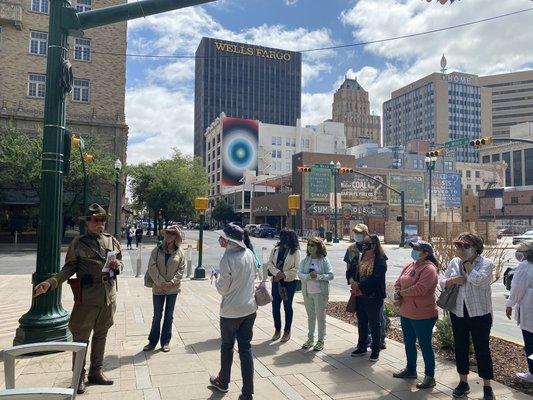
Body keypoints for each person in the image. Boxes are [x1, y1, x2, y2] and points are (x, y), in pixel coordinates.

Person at [33, 203, 122, 394]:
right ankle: (79, 376)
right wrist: (50, 283)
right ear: (87, 222)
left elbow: (119, 262)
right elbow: (68, 269)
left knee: (101, 334)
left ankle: (96, 372)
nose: (100, 224)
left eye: (103, 220)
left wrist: (117, 265)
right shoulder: (79, 243)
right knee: (81, 338)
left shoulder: (111, 241)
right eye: (96, 220)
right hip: (88, 298)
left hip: (108, 296)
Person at [439, 232, 495, 400]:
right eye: (459, 246)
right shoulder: (454, 262)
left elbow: (478, 280)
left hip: (480, 314)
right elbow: (442, 282)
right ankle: (463, 382)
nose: (461, 249)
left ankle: (487, 386)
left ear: (476, 248)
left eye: (466, 246)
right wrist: (452, 281)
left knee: (482, 349)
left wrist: (466, 263)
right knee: (460, 347)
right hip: (458, 312)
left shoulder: (486, 263)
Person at [209, 224, 257, 400]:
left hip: (231, 311)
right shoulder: (249, 254)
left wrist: (216, 278)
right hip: (250, 308)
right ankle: (247, 392)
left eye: (222, 237)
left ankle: (223, 382)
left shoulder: (227, 258)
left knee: (227, 347)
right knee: (246, 349)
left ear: (229, 240)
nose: (220, 240)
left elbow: (223, 289)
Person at [393, 240, 439, 389]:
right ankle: (411, 369)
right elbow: (398, 281)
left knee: (425, 345)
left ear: (426, 253)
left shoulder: (429, 269)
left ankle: (429, 376)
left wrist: (402, 293)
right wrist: (397, 290)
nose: (414, 252)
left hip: (423, 314)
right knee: (409, 343)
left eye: (417, 249)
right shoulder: (409, 265)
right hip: (406, 312)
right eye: (414, 249)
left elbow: (421, 288)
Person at [143, 225, 185, 353]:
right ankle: (152, 341)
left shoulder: (180, 252)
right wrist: (161, 282)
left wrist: (171, 282)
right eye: (167, 233)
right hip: (158, 287)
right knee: (157, 315)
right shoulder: (157, 250)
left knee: (169, 315)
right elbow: (152, 267)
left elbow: (181, 269)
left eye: (172, 234)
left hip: (173, 289)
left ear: (176, 237)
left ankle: (165, 341)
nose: (169, 236)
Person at [345, 224, 387, 350]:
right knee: (362, 321)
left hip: (374, 296)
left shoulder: (380, 259)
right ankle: (362, 345)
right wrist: (352, 280)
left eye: (367, 243)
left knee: (376, 321)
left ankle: (377, 346)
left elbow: (376, 277)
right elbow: (350, 270)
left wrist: (359, 285)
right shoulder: (357, 254)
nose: (364, 244)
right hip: (359, 295)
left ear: (373, 245)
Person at [265, 228, 301, 342]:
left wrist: (284, 275)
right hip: (276, 281)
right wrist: (277, 273)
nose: (284, 238)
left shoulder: (295, 251)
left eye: (286, 236)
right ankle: (277, 329)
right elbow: (269, 264)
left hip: (289, 283)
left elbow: (296, 268)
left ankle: (287, 330)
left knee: (287, 306)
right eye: (282, 236)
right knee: (275, 306)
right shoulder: (275, 249)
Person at [298, 236, 334, 351]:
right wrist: (308, 276)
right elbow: (300, 275)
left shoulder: (324, 260)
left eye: (312, 245)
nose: (309, 247)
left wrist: (318, 277)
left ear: (318, 247)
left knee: (320, 317)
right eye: (308, 245)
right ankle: (310, 338)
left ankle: (321, 340)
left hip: (320, 293)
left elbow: (330, 275)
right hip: (308, 292)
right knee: (311, 316)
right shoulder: (305, 260)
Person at [506, 240, 533, 383]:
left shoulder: (525, 266)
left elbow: (517, 288)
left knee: (530, 342)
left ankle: (532, 372)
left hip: (529, 310)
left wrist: (510, 304)